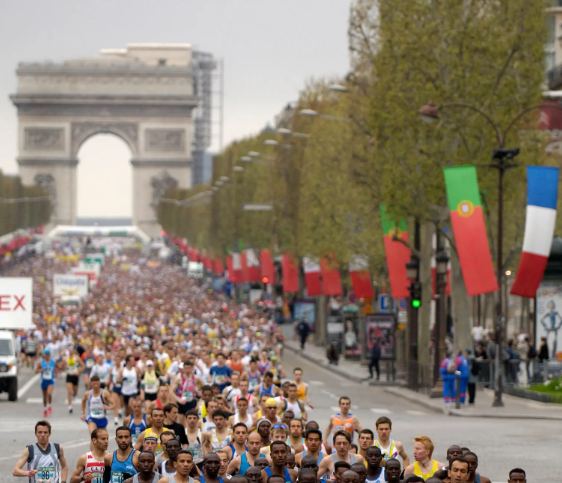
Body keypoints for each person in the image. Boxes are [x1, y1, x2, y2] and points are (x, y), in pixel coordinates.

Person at [36, 349, 56, 417]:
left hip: (51, 380)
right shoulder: (41, 362)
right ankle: (45, 409)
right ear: (44, 355)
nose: (47, 356)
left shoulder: (53, 362)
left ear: (50, 355)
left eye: (48, 355)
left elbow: (57, 369)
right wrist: (41, 370)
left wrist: (56, 373)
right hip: (44, 381)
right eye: (46, 355)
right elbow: (36, 371)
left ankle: (49, 405)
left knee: (49, 393)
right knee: (44, 397)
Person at [64, 347, 85, 414]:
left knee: (75, 392)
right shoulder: (66, 358)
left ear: (74, 351)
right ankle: (70, 406)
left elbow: (83, 366)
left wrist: (79, 372)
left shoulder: (77, 358)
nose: (71, 352)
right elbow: (62, 365)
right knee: (69, 391)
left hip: (75, 376)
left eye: (72, 350)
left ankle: (74, 396)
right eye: (70, 350)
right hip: (69, 376)